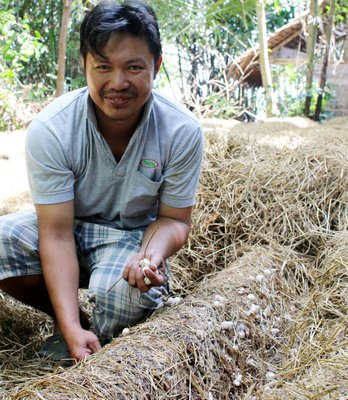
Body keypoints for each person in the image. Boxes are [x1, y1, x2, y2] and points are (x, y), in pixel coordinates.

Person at [0, 0, 203, 362]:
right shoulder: (53, 129)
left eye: (134, 67)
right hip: (69, 229)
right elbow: (56, 233)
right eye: (103, 67)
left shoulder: (181, 131)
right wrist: (70, 325)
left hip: (131, 240)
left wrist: (152, 255)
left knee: (121, 296)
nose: (118, 83)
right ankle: (74, 326)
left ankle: (106, 338)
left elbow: (174, 219)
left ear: (156, 66)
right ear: (85, 66)